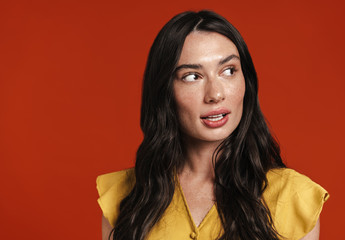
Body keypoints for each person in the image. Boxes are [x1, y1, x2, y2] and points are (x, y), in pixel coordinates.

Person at [96, 10, 329, 240]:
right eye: (192, 76)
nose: (215, 94)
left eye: (228, 71)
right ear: (164, 91)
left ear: (246, 82)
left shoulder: (294, 198)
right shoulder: (123, 196)